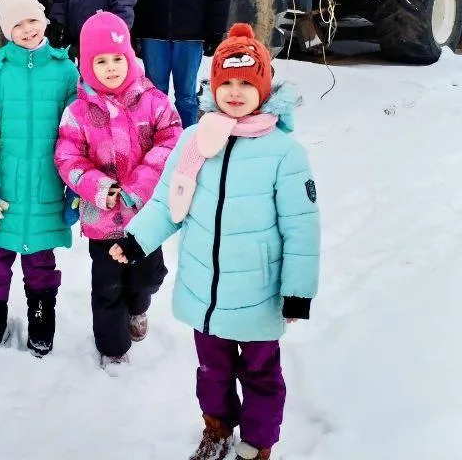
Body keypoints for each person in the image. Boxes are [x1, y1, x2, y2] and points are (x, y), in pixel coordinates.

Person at [110, 24, 319, 460]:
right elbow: (169, 202)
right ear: (214, 86)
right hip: (205, 290)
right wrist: (135, 241)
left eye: (247, 83)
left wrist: (297, 292)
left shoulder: (284, 152)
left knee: (261, 373)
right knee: (212, 371)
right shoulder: (195, 140)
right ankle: (218, 428)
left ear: (264, 88)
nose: (237, 93)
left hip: (258, 294)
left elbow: (302, 228)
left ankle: (258, 444)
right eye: (228, 83)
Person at [54, 11, 181, 368]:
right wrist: (98, 187)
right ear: (87, 64)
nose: (111, 68)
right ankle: (113, 346)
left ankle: (139, 308)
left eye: (117, 59)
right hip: (102, 219)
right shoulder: (78, 112)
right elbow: (67, 157)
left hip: (145, 218)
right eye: (101, 61)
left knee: (146, 277)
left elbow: (171, 142)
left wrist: (137, 188)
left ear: (129, 57)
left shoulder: (153, 101)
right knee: (107, 289)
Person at [0, 0, 78, 356]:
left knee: (41, 258)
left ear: (43, 19)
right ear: (6, 31)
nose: (27, 30)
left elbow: (77, 133)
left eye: (32, 21)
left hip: (47, 184)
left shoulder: (65, 72)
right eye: (16, 25)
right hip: (4, 188)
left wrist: (74, 187)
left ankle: (41, 320)